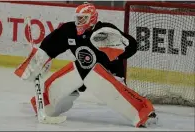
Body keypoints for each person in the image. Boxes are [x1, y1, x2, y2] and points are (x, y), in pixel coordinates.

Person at [14, 2, 157, 128]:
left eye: (82, 18)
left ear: (92, 19)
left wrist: (122, 46)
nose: (78, 22)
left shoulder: (105, 31)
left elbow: (131, 46)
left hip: (110, 75)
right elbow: (50, 45)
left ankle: (142, 111)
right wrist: (36, 63)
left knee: (88, 69)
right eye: (77, 18)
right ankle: (45, 104)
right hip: (84, 72)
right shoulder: (69, 31)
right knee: (81, 66)